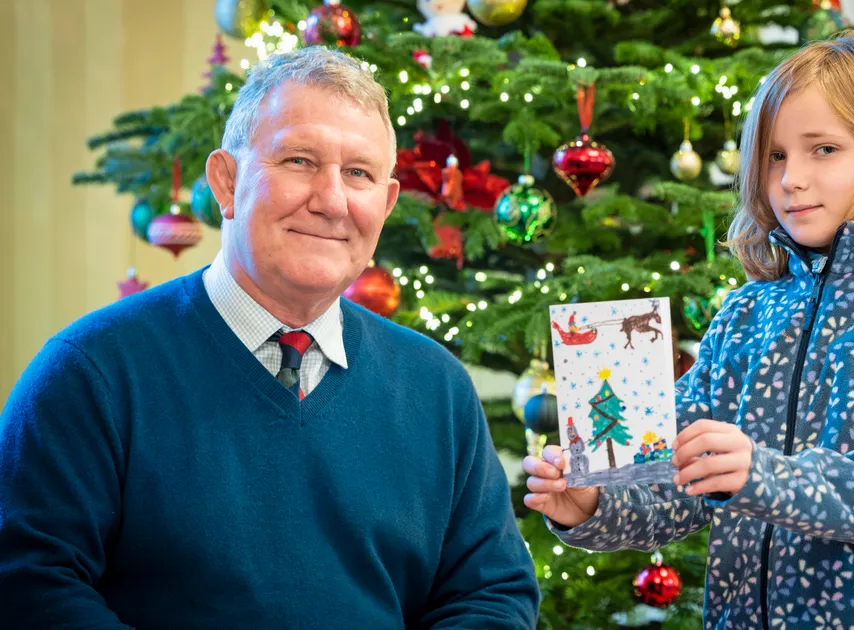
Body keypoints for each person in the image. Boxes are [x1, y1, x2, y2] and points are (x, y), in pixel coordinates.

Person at [0, 46, 538, 629]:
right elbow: (30, 585)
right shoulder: (90, 372)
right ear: (226, 182)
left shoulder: (437, 387)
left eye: (358, 173)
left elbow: (493, 595)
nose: (332, 200)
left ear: (383, 206)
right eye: (300, 161)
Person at [524, 31, 854, 629]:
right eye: (776, 156)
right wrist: (592, 504)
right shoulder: (747, 313)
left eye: (824, 150)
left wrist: (764, 475)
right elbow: (678, 479)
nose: (791, 179)